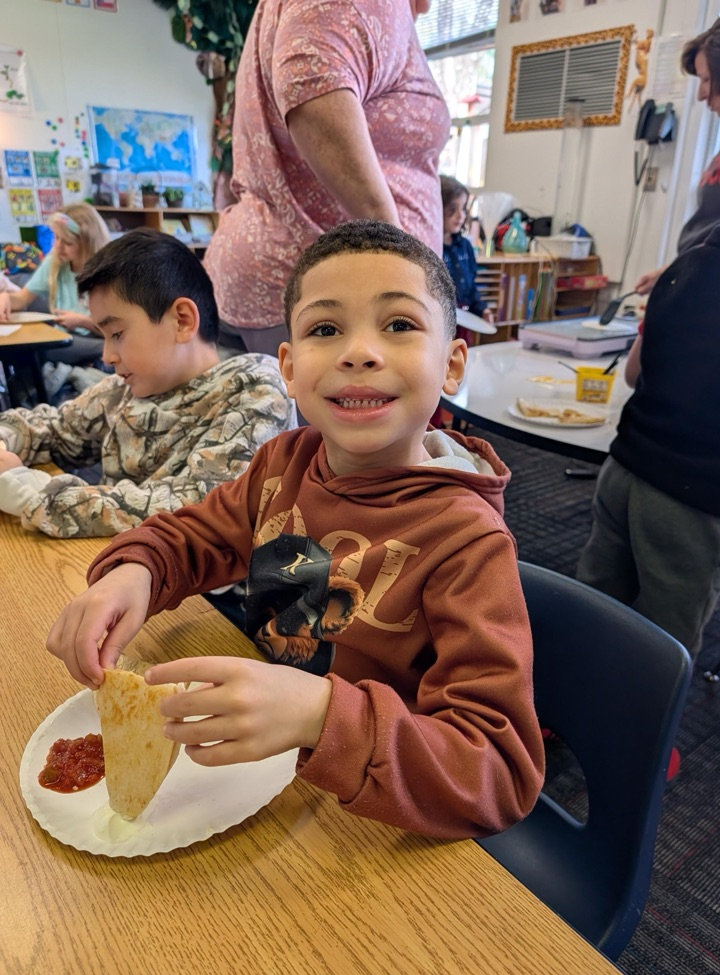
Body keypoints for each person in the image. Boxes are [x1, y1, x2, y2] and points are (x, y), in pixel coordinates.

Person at [46, 220, 544, 840]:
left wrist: (319, 715)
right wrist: (136, 572)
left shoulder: (468, 542)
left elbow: (496, 774)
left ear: (451, 364)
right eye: (325, 329)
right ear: (288, 365)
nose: (357, 352)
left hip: (366, 815)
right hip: (254, 773)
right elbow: (193, 537)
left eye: (399, 324)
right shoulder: (282, 463)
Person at [0, 229, 295, 539]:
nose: (107, 356)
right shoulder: (123, 390)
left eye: (116, 334)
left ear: (182, 320)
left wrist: (27, 490)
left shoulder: (255, 387)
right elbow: (51, 428)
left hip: (209, 585)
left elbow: (198, 507)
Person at [577, 149, 720, 663]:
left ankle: (557, 719)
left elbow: (633, 372)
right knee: (661, 649)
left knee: (592, 607)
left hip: (625, 470)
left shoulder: (684, 265)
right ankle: (637, 744)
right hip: (696, 501)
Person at [204, 0, 450, 359]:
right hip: (324, 293)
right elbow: (312, 82)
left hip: (313, 288)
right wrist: (398, 260)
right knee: (335, 413)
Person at [636, 8, 720, 294]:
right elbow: (716, 224)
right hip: (700, 278)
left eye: (707, 79)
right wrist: (672, 271)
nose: (700, 94)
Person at [0, 204, 111, 394]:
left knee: (38, 350)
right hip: (65, 339)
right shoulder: (55, 263)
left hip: (92, 338)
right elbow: (22, 299)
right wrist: (6, 298)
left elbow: (116, 331)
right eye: (56, 238)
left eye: (67, 242)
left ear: (87, 242)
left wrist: (83, 322)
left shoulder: (107, 274)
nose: (58, 246)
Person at [440, 175, 494, 334]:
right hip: (440, 326)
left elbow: (471, 288)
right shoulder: (431, 247)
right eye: (452, 208)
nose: (460, 215)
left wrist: (482, 309)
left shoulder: (465, 247)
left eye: (463, 208)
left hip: (464, 324)